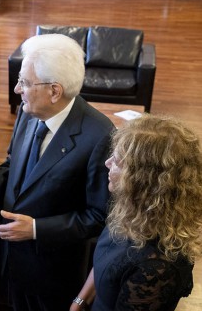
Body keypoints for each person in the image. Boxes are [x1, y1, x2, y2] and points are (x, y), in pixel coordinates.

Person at [0, 33, 115, 311]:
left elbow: (98, 217)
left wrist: (36, 229)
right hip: (12, 262)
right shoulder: (28, 110)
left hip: (53, 273)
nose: (16, 89)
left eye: (24, 82)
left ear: (54, 91)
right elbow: (11, 163)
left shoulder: (100, 136)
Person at [70, 114, 202, 311]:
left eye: (117, 161)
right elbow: (105, 262)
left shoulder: (158, 268)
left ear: (141, 180)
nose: (107, 163)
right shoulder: (131, 206)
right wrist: (79, 301)